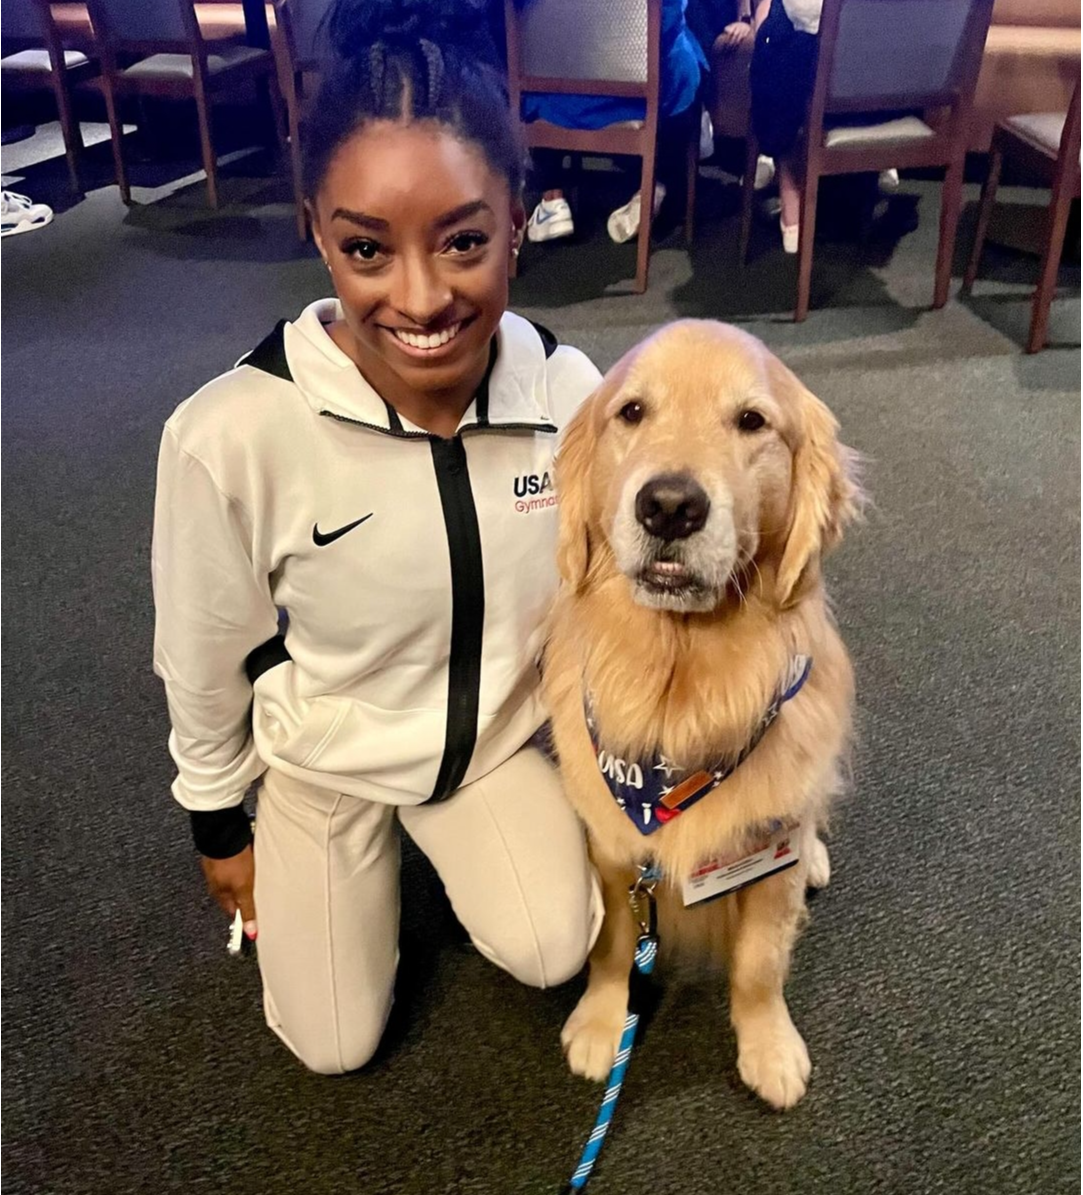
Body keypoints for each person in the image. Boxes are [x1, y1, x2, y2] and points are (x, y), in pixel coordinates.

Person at [152, 0, 604, 1075]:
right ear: (317, 229)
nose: (419, 298)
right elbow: (205, 649)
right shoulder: (230, 434)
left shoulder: (568, 394)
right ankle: (336, 854)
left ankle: (452, 846)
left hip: (489, 746)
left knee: (558, 946)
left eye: (463, 242)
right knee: (334, 1046)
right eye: (366, 247)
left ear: (518, 218)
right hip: (328, 761)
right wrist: (218, 821)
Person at [520, 0, 708, 245]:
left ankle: (552, 197)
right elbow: (668, 25)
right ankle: (655, 185)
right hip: (639, 103)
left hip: (558, 101)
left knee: (533, 69)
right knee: (684, 69)